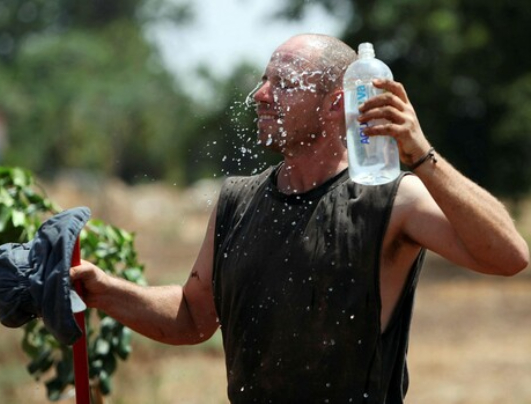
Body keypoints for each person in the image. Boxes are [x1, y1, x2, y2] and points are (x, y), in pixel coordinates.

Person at [70, 34, 529, 403]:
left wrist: (422, 156)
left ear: (336, 105)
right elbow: (193, 316)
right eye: (263, 80)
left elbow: (508, 256)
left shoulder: (390, 200)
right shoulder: (236, 200)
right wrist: (101, 289)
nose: (260, 95)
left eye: (283, 83)